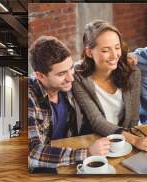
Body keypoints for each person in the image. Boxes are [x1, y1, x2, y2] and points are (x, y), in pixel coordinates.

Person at [72, 20, 147, 152]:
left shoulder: (132, 72)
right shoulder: (79, 78)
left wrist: (138, 140)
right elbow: (96, 120)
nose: (114, 55)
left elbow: (133, 119)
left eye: (117, 47)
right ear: (89, 52)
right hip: (96, 143)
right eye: (105, 50)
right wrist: (134, 140)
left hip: (125, 142)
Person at [28, 36, 110, 170]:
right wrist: (87, 153)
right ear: (40, 76)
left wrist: (130, 57)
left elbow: (96, 64)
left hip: (71, 159)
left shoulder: (68, 81)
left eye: (70, 68)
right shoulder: (29, 97)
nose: (70, 78)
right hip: (46, 168)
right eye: (61, 74)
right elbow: (32, 153)